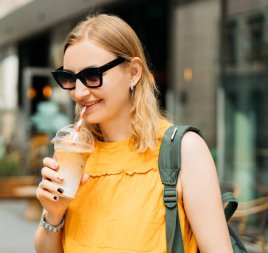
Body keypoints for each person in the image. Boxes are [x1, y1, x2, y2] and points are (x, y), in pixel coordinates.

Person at [34, 14, 232, 253]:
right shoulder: (74, 152)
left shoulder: (183, 149)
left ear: (133, 72)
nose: (79, 91)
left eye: (92, 76)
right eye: (69, 78)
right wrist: (52, 215)